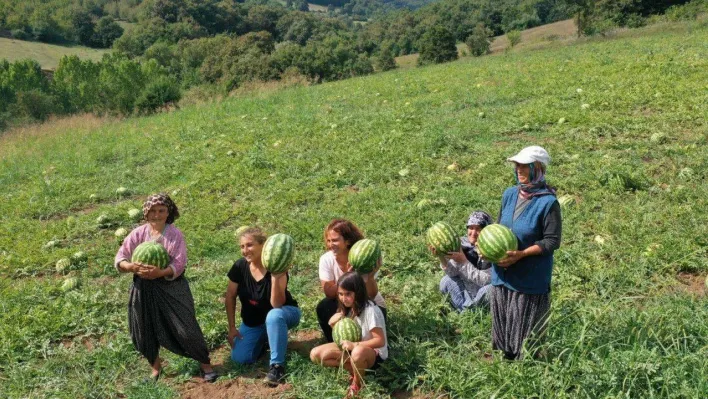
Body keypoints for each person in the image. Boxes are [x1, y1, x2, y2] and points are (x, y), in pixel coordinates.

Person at [114, 193, 217, 383]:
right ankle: (155, 369)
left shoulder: (175, 234)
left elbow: (179, 263)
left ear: (168, 212)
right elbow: (121, 258)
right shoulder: (138, 233)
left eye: (161, 210)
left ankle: (205, 365)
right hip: (142, 288)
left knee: (185, 327)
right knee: (144, 327)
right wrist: (131, 267)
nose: (156, 215)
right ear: (146, 212)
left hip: (171, 287)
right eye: (152, 211)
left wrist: (160, 273)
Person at [489, 145, 561, 360]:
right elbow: (499, 227)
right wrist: (486, 250)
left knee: (524, 339)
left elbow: (552, 241)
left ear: (537, 168)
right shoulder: (509, 194)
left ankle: (527, 373)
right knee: (504, 333)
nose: (519, 169)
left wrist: (522, 254)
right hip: (502, 275)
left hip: (529, 279)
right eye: (517, 165)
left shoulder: (548, 202)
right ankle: (505, 369)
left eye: (524, 165)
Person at [225, 227, 301, 386]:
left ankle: (277, 367)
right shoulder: (239, 267)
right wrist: (232, 327)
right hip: (254, 322)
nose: (245, 250)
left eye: (250, 245)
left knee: (273, 316)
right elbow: (230, 296)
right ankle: (267, 339)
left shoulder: (278, 267)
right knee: (240, 357)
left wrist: (274, 277)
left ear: (263, 246)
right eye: (242, 246)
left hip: (284, 314)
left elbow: (277, 304)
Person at [310, 272, 388, 398]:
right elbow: (342, 337)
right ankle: (356, 370)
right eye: (340, 294)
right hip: (353, 349)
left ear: (358, 292)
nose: (343, 298)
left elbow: (380, 341)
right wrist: (332, 325)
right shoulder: (347, 308)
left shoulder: (371, 310)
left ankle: (357, 383)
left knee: (357, 352)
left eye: (348, 294)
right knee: (315, 355)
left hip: (373, 353)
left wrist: (355, 345)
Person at [316, 219, 386, 343]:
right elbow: (329, 293)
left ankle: (365, 343)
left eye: (335, 240)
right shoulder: (326, 260)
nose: (330, 244)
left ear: (347, 241)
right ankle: (335, 342)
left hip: (368, 304)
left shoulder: (363, 260)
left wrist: (370, 277)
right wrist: (347, 275)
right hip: (344, 303)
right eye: (328, 240)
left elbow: (371, 295)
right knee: (324, 306)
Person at [433, 211, 493, 312]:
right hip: (466, 292)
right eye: (471, 228)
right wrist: (441, 257)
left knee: (491, 289)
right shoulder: (460, 244)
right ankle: (469, 310)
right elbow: (453, 273)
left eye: (478, 229)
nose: (473, 233)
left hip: (481, 294)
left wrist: (463, 261)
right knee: (446, 280)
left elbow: (485, 281)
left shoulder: (491, 250)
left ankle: (468, 311)